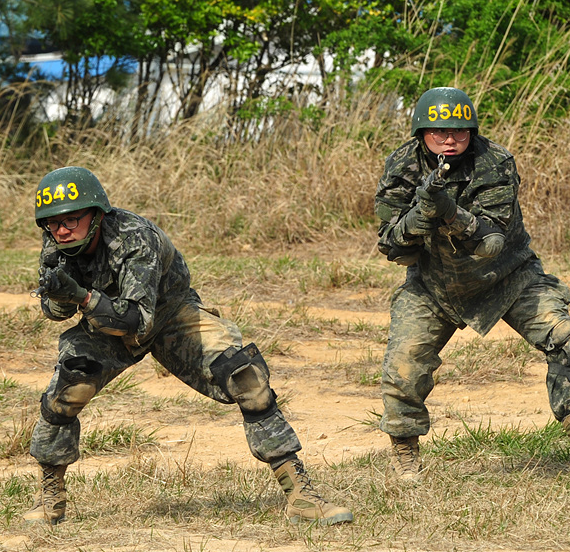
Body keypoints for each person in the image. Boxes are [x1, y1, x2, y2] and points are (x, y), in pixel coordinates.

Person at [22, 166, 353, 526]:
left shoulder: (135, 237)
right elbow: (55, 312)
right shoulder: (57, 243)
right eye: (52, 224)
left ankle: (301, 496)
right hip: (104, 323)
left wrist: (79, 295)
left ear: (97, 215)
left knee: (243, 375)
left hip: (168, 314)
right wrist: (59, 293)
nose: (62, 230)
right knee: (66, 391)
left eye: (72, 219)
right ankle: (50, 498)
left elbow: (135, 320)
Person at [373, 87, 570, 484]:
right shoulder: (402, 164)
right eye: (439, 131)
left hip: (509, 276)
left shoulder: (494, 161)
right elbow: (391, 244)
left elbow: (491, 241)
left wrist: (448, 211)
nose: (450, 139)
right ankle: (404, 453)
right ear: (421, 132)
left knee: (567, 342)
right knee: (403, 369)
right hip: (434, 285)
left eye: (460, 132)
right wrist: (419, 217)